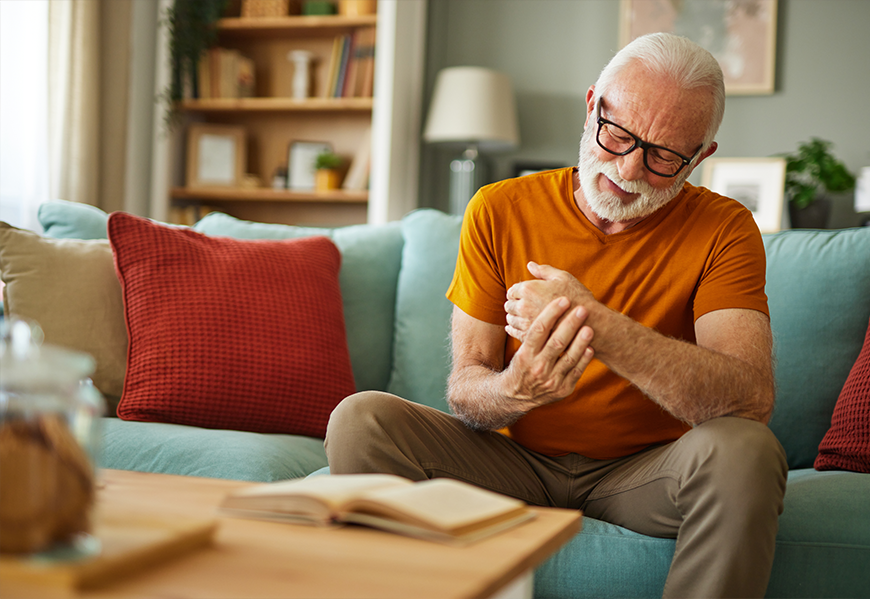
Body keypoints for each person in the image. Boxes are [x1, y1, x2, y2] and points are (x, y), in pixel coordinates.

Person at [325, 32, 787, 599]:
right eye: (617, 134)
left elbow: (749, 400)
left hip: (645, 472)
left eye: (666, 156)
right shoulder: (499, 208)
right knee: (360, 420)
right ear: (592, 104)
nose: (630, 169)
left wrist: (595, 324)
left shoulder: (726, 228)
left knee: (747, 451)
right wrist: (516, 390)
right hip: (512, 462)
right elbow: (467, 386)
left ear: (701, 156)